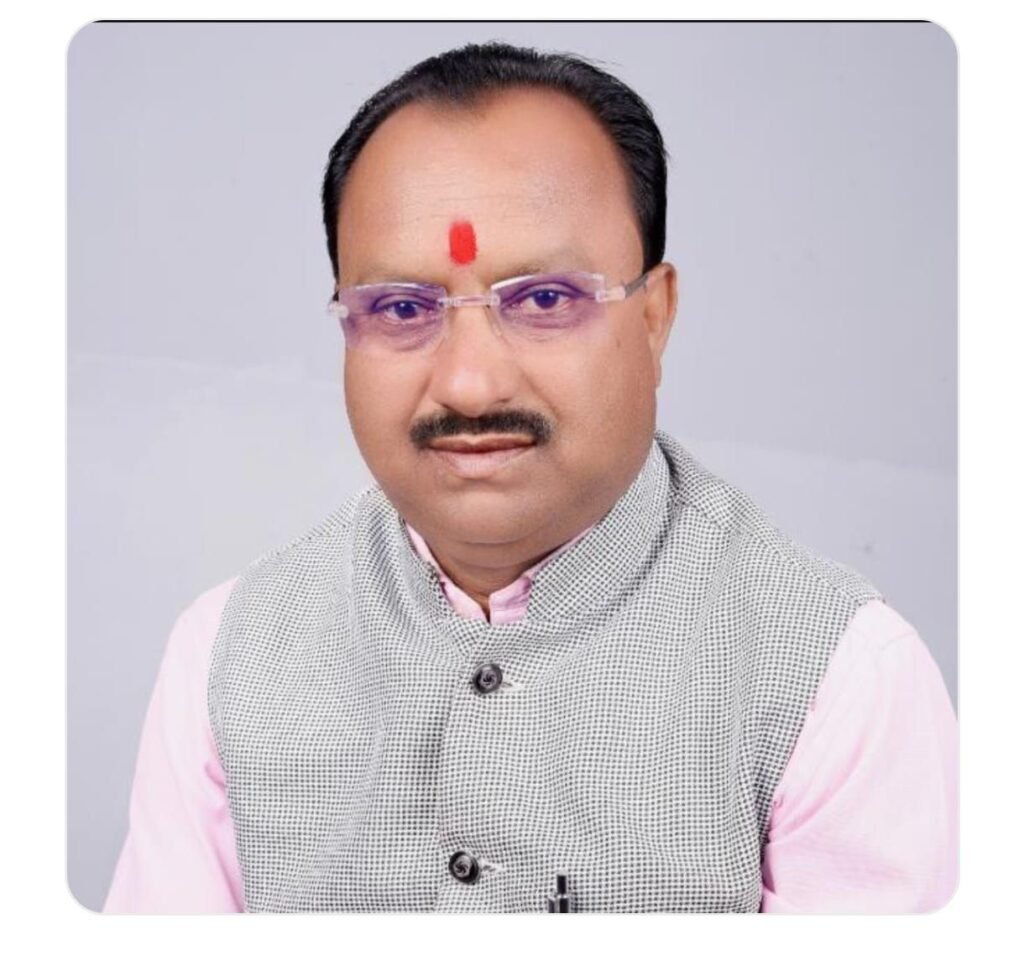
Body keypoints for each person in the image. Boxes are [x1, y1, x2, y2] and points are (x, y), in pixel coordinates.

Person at [104, 41, 957, 914]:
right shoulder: (228, 657)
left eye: (545, 299)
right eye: (401, 308)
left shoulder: (835, 679)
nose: (471, 385)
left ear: (655, 317)